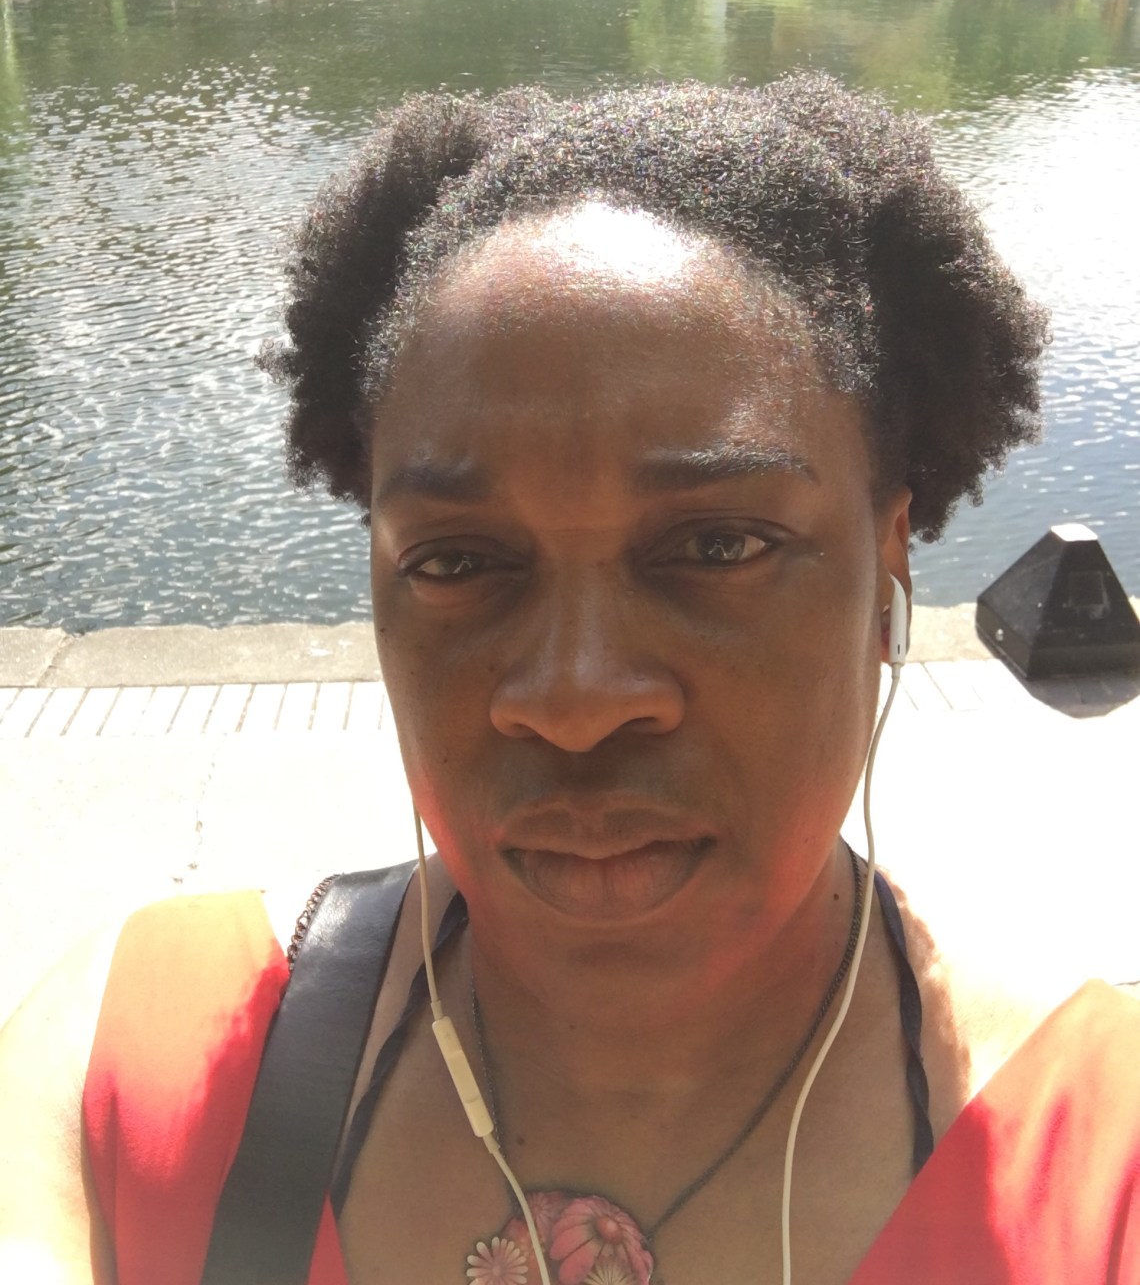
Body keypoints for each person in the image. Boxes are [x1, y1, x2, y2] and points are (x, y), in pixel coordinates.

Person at [1, 72, 1136, 1285]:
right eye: (458, 561)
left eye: (718, 545)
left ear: (890, 555)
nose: (576, 700)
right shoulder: (126, 1074)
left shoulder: (1100, 1161)